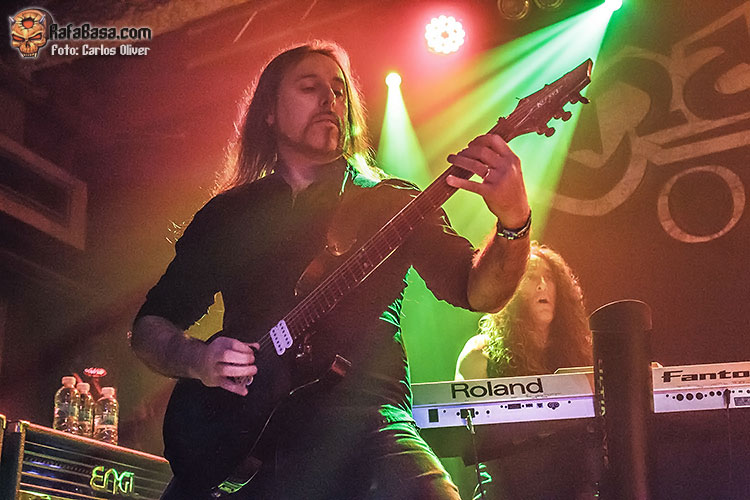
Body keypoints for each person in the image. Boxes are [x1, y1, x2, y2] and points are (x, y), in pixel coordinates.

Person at [130, 40, 531, 500]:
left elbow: (479, 291)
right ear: (269, 113)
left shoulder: (391, 201)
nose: (330, 99)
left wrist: (514, 221)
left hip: (366, 422)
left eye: (339, 91)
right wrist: (198, 360)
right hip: (239, 437)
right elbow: (150, 326)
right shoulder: (227, 215)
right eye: (310, 87)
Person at [455, 242, 595, 500]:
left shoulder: (583, 353)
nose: (542, 285)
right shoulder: (481, 352)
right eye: (530, 277)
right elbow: (464, 425)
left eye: (549, 277)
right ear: (510, 289)